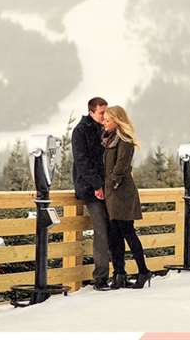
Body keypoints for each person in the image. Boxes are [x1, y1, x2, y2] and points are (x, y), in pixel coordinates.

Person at [102, 105, 152, 289]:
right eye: (104, 119)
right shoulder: (108, 139)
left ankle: (144, 271)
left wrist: (112, 183)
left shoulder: (124, 140)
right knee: (115, 234)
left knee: (128, 232)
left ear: (117, 120)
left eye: (108, 119)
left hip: (121, 193)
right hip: (111, 192)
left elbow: (121, 166)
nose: (104, 122)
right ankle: (119, 274)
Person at [71, 97, 112, 291]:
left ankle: (118, 271)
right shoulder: (80, 131)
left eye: (106, 111)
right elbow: (82, 162)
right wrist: (97, 185)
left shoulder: (106, 128)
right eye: (102, 112)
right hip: (90, 188)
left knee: (115, 227)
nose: (105, 115)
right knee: (101, 230)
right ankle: (100, 277)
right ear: (91, 112)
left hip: (108, 187)